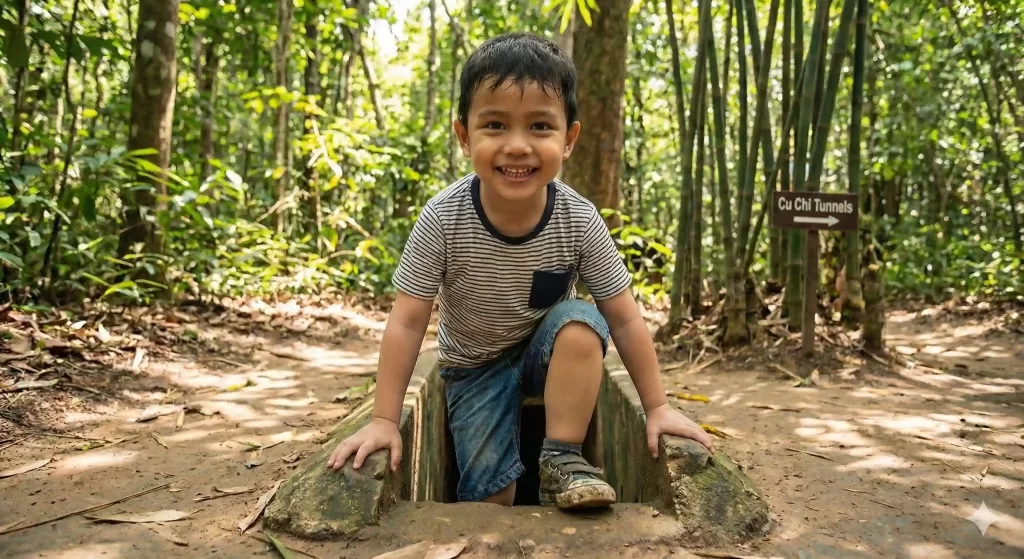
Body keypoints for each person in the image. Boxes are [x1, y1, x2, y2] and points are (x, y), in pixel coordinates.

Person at [327, 32, 715, 510]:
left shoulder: (578, 219)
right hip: (473, 366)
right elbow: (408, 322)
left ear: (568, 139)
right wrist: (385, 421)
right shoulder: (443, 219)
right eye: (494, 125)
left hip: (545, 357)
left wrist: (657, 407)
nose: (516, 146)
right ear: (464, 136)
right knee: (491, 500)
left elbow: (624, 316)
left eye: (539, 126)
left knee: (581, 321)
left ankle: (562, 459)